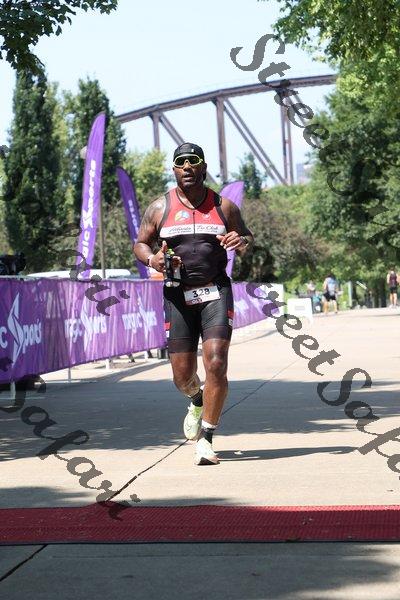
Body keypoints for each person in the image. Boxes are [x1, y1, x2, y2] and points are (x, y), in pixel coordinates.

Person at [134, 142, 253, 465]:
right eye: (181, 162)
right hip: (177, 295)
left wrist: (240, 240)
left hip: (216, 292)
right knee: (182, 376)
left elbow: (246, 238)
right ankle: (197, 399)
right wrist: (153, 259)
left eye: (193, 161)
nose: (187, 166)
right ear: (174, 169)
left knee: (216, 362)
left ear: (203, 167)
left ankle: (207, 438)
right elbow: (141, 244)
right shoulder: (159, 208)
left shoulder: (224, 206)